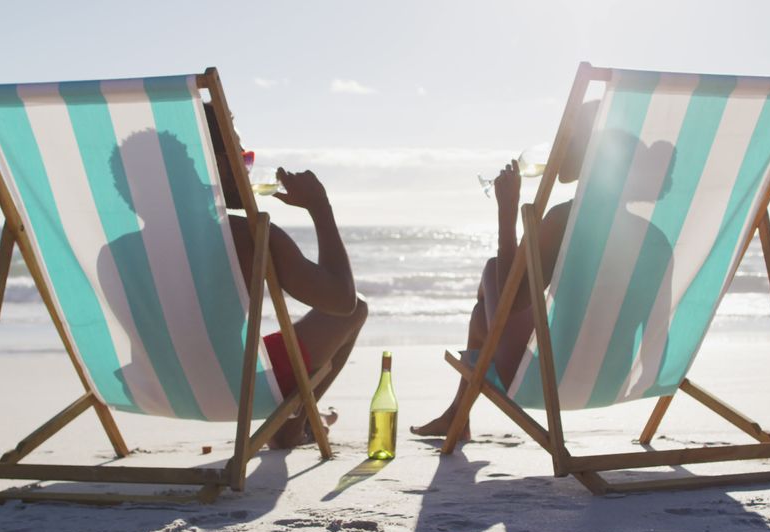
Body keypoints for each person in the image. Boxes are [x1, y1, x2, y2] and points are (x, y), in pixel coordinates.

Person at [411, 100, 600, 440]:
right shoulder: (646, 233)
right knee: (482, 313)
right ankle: (457, 415)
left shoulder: (563, 221)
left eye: (567, 139)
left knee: (495, 269)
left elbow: (512, 301)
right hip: (611, 374)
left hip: (547, 377)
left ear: (591, 149)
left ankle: (458, 415)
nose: (558, 147)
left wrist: (507, 213)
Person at [205, 105, 368, 449]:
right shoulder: (250, 234)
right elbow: (341, 300)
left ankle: (303, 420)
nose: (248, 165)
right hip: (234, 387)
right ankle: (294, 425)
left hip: (152, 385)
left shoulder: (116, 248)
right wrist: (320, 207)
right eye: (242, 155)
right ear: (216, 163)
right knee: (356, 311)